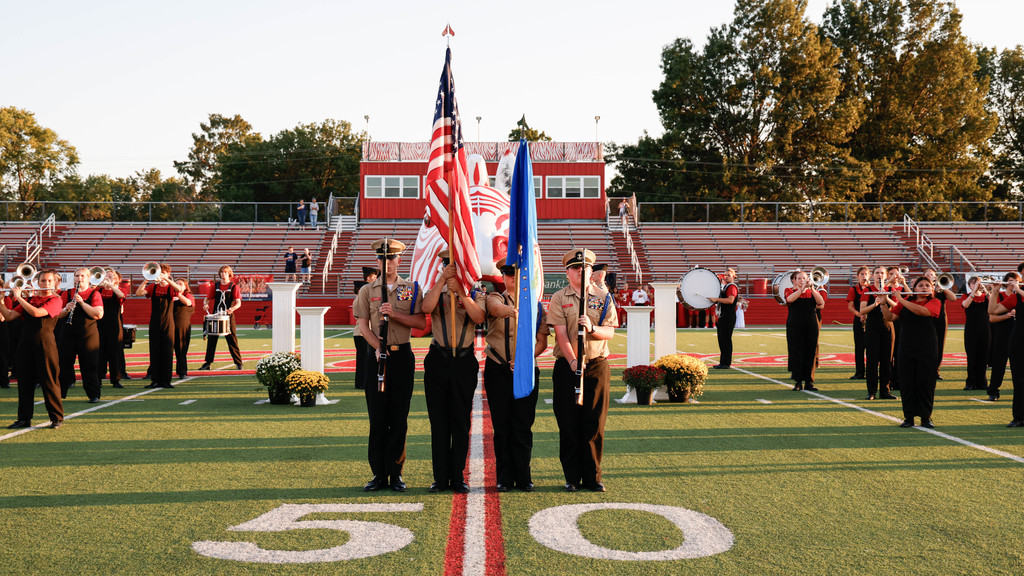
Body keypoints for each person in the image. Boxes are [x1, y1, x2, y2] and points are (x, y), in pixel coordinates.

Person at [353, 238, 425, 492]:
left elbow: (420, 323)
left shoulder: (412, 288)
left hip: (403, 357)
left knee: (399, 417)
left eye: (392, 258)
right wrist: (377, 348)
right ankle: (378, 474)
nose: (388, 263)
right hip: (378, 359)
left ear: (399, 260)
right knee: (377, 417)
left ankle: (396, 473)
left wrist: (395, 314)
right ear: (378, 261)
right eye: (383, 258)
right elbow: (363, 326)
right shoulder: (367, 290)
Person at [547, 248, 618, 493]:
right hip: (568, 367)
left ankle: (593, 477)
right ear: (567, 272)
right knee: (568, 423)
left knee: (594, 423)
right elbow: (560, 333)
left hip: (597, 366)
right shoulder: (558, 298)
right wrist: (573, 360)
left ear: (591, 271)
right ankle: (572, 477)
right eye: (576, 268)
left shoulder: (604, 297)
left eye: (585, 268)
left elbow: (610, 332)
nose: (581, 271)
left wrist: (592, 328)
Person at [421, 249, 486, 494]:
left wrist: (460, 291)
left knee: (460, 422)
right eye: (447, 264)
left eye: (455, 265)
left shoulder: (476, 291)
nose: (450, 268)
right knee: (438, 422)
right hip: (438, 358)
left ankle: (458, 476)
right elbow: (426, 308)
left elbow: (479, 317)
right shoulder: (434, 288)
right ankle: (440, 478)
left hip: (464, 360)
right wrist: (441, 282)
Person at [485, 259, 549, 492]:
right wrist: (514, 310)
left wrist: (524, 359)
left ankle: (523, 476)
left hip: (526, 370)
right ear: (502, 276)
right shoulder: (496, 297)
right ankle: (504, 477)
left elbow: (542, 341)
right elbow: (494, 310)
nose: (512, 277)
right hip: (498, 369)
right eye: (508, 273)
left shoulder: (537, 304)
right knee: (501, 426)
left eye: (517, 274)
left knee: (523, 425)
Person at [2, 270, 64, 429]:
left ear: (55, 283)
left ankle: (56, 418)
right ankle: (24, 418)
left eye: (50, 281)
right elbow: (9, 316)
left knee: (49, 380)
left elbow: (37, 313)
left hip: (45, 344)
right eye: (43, 281)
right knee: (24, 382)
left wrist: (19, 298)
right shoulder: (31, 299)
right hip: (25, 344)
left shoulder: (56, 300)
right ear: (38, 282)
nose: (46, 284)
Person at [882, 276, 942, 428]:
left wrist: (900, 300)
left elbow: (923, 312)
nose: (924, 288)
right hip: (907, 347)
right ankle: (908, 417)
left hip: (927, 348)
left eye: (927, 285)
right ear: (914, 288)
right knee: (907, 382)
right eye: (920, 285)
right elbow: (890, 317)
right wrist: (882, 302)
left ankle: (925, 417)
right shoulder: (906, 302)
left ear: (932, 288)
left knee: (926, 383)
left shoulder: (935, 302)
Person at [57, 268, 105, 403]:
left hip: (88, 335)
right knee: (63, 364)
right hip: (68, 334)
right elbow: (57, 315)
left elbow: (98, 314)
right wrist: (67, 308)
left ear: (88, 278)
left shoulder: (94, 294)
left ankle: (93, 394)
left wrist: (82, 303)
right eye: (77, 276)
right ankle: (60, 393)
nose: (79, 278)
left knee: (89, 365)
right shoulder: (66, 293)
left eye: (83, 276)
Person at [989, 272, 1024, 426]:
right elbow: (993, 310)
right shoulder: (1016, 297)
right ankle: (1019, 417)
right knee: (1019, 381)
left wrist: (1017, 288)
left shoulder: (1019, 293)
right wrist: (995, 291)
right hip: (1018, 341)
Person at [137, 263, 178, 389]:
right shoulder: (153, 287)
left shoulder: (170, 288)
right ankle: (155, 380)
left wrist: (166, 279)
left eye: (163, 272)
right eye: (159, 272)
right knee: (154, 351)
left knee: (167, 351)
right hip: (154, 322)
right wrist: (146, 279)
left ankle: (166, 380)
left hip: (168, 322)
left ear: (168, 274)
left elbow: (178, 289)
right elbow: (139, 293)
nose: (160, 275)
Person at [860, 266, 897, 400]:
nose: (879, 275)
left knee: (887, 360)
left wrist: (885, 298)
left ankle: (885, 391)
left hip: (888, 325)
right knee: (872, 360)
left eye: (882, 273)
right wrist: (876, 303)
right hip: (873, 326)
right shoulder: (867, 290)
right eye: (877, 273)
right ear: (873, 276)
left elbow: (897, 307)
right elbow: (862, 311)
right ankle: (871, 391)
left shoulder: (891, 290)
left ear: (886, 275)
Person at [784, 269, 825, 391]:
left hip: (811, 324)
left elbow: (821, 303)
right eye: (799, 278)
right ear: (794, 281)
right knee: (796, 352)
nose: (803, 280)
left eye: (804, 278)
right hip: (795, 324)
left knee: (811, 352)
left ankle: (809, 382)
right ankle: (798, 381)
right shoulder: (790, 290)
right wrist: (801, 289)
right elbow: (789, 300)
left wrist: (811, 289)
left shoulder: (812, 291)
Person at [199, 265, 243, 371]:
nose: (223, 274)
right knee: (212, 339)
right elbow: (207, 298)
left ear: (229, 274)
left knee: (232, 340)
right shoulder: (215, 286)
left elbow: (238, 303)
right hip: (216, 316)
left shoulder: (234, 286)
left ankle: (238, 362)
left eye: (225, 272)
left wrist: (232, 309)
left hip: (228, 317)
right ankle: (208, 363)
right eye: (222, 272)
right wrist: (205, 304)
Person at [97, 268, 128, 389]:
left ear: (115, 279)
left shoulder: (119, 290)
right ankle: (98, 377)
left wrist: (111, 285)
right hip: (100, 323)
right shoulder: (98, 290)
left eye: (111, 276)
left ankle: (116, 379)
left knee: (115, 352)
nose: (108, 277)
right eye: (106, 276)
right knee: (99, 352)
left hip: (115, 324)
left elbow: (121, 296)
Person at [923, 268, 955, 381]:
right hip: (927, 319)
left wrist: (943, 287)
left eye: (932, 275)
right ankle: (926, 370)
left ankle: (936, 371)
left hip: (941, 319)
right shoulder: (924, 289)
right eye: (928, 275)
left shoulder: (941, 289)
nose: (931, 277)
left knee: (940, 345)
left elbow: (953, 298)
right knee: (926, 345)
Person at [961, 277, 991, 394]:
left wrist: (985, 290)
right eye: (973, 283)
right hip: (971, 330)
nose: (976, 285)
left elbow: (994, 304)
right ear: (970, 285)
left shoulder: (986, 297)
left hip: (985, 329)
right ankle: (970, 382)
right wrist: (974, 292)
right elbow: (965, 305)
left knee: (984, 357)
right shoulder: (966, 295)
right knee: (972, 356)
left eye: (978, 283)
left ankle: (982, 382)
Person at [352, 266, 379, 390]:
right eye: (374, 277)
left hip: (365, 331)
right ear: (368, 278)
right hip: (362, 332)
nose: (375, 279)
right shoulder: (363, 295)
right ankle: (361, 382)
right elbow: (358, 313)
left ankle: (363, 380)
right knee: (363, 358)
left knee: (366, 358)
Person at [709, 267, 739, 369]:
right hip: (724, 316)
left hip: (728, 316)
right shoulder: (727, 287)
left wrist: (716, 299)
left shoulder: (732, 287)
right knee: (722, 340)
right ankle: (723, 362)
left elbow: (730, 300)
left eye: (728, 275)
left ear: (734, 276)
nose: (726, 277)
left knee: (725, 340)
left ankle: (726, 363)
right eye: (725, 275)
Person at [846, 265, 871, 380]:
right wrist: (859, 314)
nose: (864, 276)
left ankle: (872, 372)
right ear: (858, 276)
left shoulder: (872, 289)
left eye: (866, 274)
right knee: (859, 347)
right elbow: (850, 306)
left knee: (872, 347)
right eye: (862, 274)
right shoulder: (854, 289)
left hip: (871, 320)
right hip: (858, 320)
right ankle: (860, 372)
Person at [173, 278, 195, 379]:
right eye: (176, 283)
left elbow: (188, 303)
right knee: (163, 350)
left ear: (185, 286)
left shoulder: (188, 295)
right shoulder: (171, 296)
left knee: (181, 350)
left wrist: (177, 293)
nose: (178, 285)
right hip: (169, 326)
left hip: (182, 327)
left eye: (180, 284)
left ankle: (182, 372)